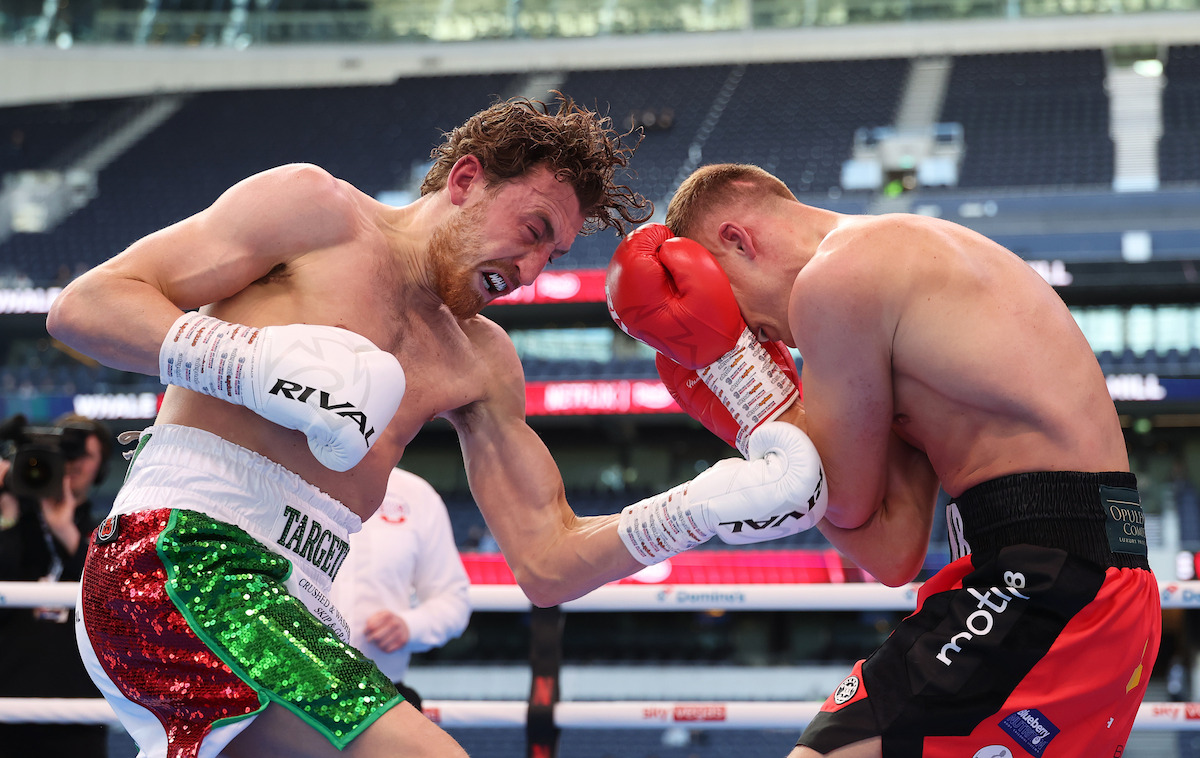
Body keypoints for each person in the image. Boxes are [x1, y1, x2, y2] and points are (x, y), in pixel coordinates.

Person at [45, 96, 828, 758]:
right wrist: (247, 361)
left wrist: (698, 509)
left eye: (552, 255)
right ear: (465, 181)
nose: (530, 272)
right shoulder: (315, 213)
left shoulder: (479, 362)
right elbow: (85, 306)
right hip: (182, 558)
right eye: (531, 231)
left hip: (301, 602)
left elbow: (547, 559)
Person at [605, 162, 1161, 758]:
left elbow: (833, 496)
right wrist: (769, 426)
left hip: (1052, 581)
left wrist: (751, 396)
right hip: (1058, 576)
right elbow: (891, 551)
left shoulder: (837, 277)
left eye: (733, 311)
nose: (754, 337)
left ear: (738, 241)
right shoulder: (895, 293)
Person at [0, 413, 113, 758]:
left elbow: (111, 591)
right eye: (61, 452)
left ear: (101, 469)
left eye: (79, 453)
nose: (68, 464)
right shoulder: (9, 528)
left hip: (77, 718)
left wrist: (65, 529)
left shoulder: (108, 534)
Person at [328, 466, 471, 713]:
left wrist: (409, 626)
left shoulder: (416, 495)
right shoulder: (282, 473)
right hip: (285, 691)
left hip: (383, 692)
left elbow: (453, 599)